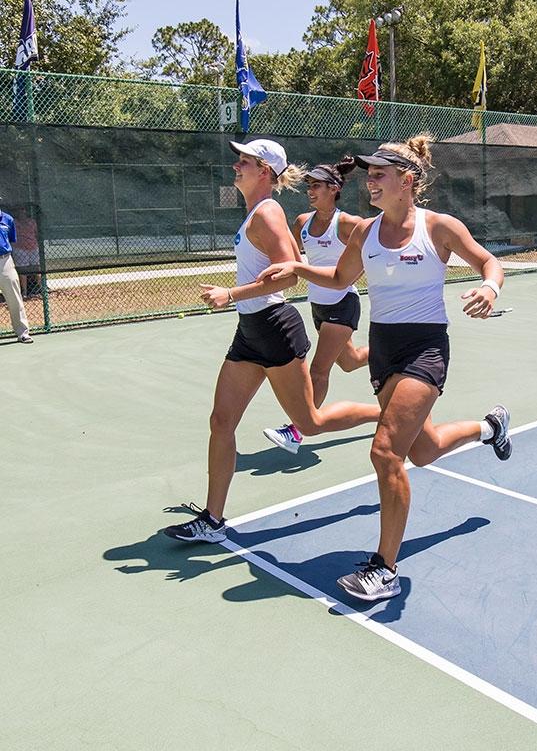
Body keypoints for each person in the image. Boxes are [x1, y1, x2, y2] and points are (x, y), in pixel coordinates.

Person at [259, 136, 512, 601]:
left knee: (385, 453)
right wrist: (295, 267)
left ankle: (385, 570)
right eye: (370, 174)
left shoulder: (439, 228)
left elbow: (487, 261)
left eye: (379, 174)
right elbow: (339, 279)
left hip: (425, 348)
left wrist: (490, 288)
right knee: (424, 449)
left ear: (406, 181)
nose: (370, 181)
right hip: (384, 350)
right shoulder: (365, 233)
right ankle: (490, 427)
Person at [164, 138, 381, 543]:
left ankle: (381, 415)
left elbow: (287, 274)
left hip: (275, 328)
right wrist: (237, 297)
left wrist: (230, 294)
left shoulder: (268, 214)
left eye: (243, 162)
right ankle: (213, 520)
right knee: (221, 421)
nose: (235, 167)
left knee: (309, 423)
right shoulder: (256, 214)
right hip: (250, 331)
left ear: (264, 171)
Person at [262, 157, 370, 454]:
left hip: (343, 303)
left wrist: (350, 277)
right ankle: (392, 351)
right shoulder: (302, 223)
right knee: (349, 362)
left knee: (319, 370)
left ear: (334, 189)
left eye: (317, 186)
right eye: (309, 186)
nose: (310, 191)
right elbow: (289, 258)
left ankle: (296, 431)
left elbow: (371, 255)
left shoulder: (349, 224)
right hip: (319, 307)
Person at [0, 201, 33, 344]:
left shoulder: (8, 219)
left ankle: (23, 333)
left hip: (5, 260)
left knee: (14, 296)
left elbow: (11, 240)